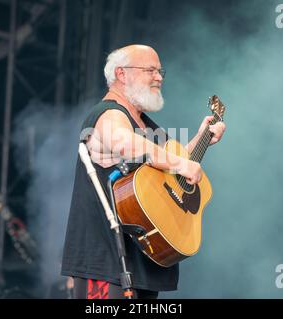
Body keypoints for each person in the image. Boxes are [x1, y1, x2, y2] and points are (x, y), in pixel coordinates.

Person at [61, 44, 226, 299]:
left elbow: (167, 174)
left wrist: (199, 141)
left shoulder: (147, 125)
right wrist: (182, 163)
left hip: (144, 262)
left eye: (160, 71)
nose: (159, 77)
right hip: (106, 263)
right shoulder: (108, 114)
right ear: (121, 74)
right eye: (150, 70)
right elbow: (126, 143)